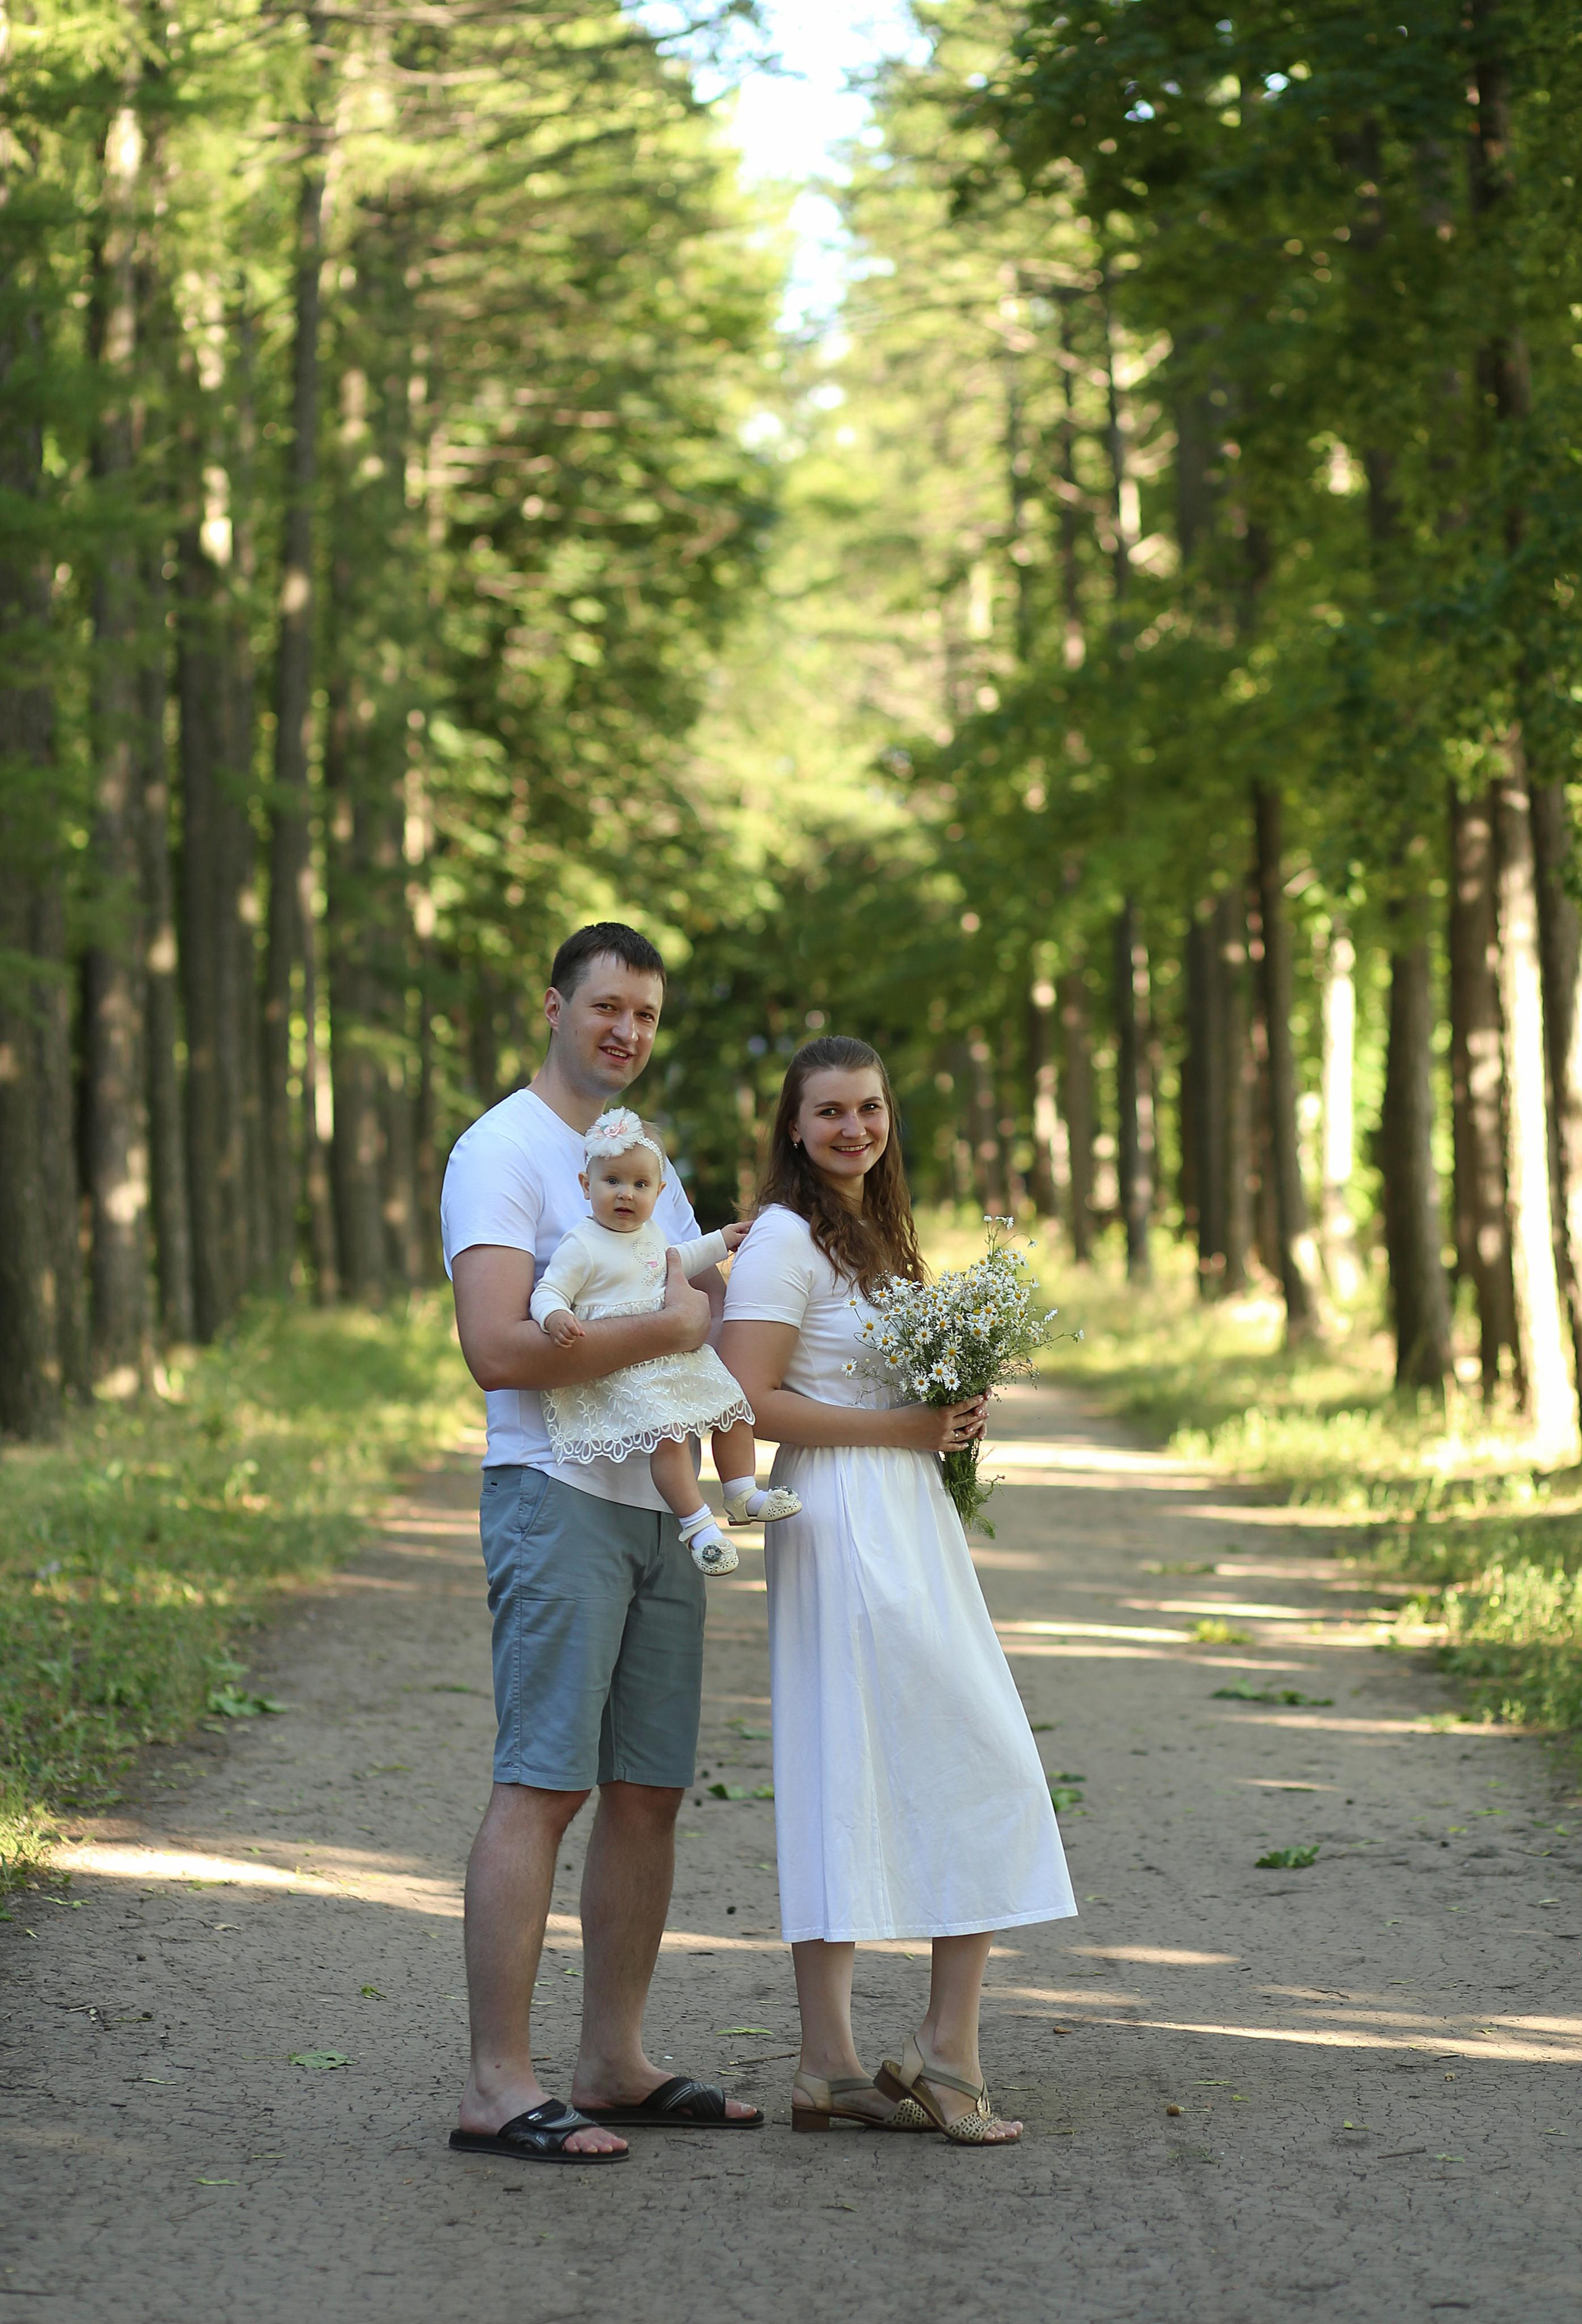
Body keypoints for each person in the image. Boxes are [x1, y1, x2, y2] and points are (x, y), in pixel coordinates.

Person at [441, 923, 763, 2166]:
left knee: (645, 1790)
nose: (625, 1030)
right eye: (606, 1006)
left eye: (643, 1013)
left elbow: (700, 1326)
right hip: (554, 1488)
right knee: (544, 1779)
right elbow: (498, 1345)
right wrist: (675, 1326)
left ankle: (611, 2058)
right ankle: (495, 2082)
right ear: (555, 1004)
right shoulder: (501, 1150)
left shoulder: (648, 1166)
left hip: (653, 1503)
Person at [719, 1034, 1077, 2147]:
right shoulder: (784, 1239)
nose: (854, 1129)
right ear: (793, 1125)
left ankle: (833, 2067)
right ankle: (943, 2057)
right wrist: (903, 1427)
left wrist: (950, 1414)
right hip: (841, 1517)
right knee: (960, 1754)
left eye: (869, 1108)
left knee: (894, 1759)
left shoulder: (873, 1234)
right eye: (829, 1112)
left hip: (905, 1510)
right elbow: (740, 1400)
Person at [528, 1104, 802, 1576]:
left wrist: (723, 1239)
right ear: (585, 1185)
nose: (625, 1195)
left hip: (670, 1356)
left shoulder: (651, 1233)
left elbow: (680, 1257)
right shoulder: (582, 1243)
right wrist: (554, 1316)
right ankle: (698, 1526)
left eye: (639, 1185)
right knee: (672, 1435)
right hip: (626, 1361)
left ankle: (741, 1492)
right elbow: (549, 1289)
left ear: (659, 1190)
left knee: (732, 1407)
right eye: (612, 1180)